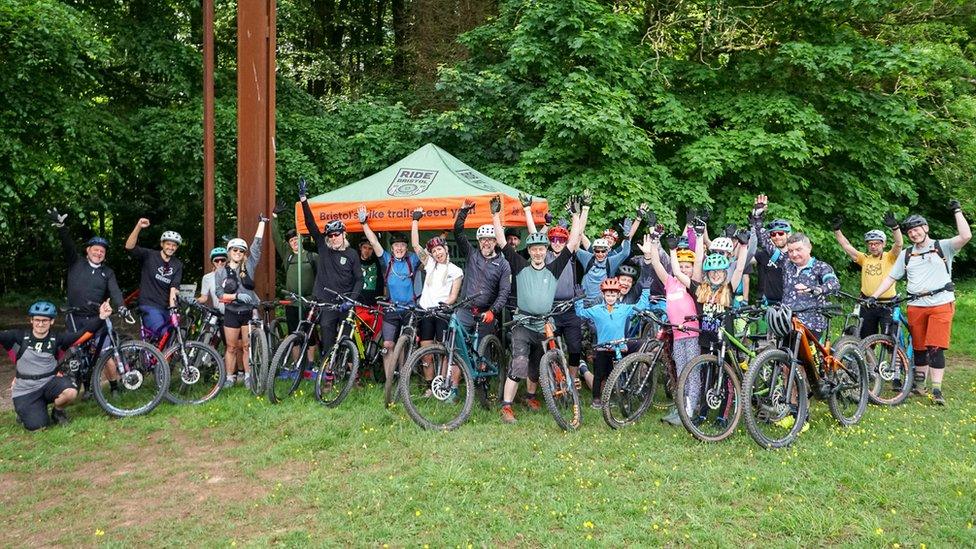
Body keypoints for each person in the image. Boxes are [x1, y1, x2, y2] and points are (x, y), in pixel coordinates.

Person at [493, 194, 585, 424]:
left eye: (541, 249)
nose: (537, 252)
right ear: (530, 250)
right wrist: (495, 216)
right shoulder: (520, 265)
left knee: (537, 364)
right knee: (520, 363)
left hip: (545, 324)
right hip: (523, 324)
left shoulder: (553, 268)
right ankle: (506, 407)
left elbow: (573, 243)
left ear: (546, 251)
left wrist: (576, 216)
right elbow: (502, 242)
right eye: (533, 249)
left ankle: (532, 396)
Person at [868, 201, 971, 406]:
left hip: (941, 303)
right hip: (916, 305)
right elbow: (891, 278)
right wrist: (874, 295)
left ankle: (937, 389)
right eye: (910, 232)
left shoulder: (943, 247)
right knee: (919, 347)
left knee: (935, 346)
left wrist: (957, 212)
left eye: (916, 230)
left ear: (925, 228)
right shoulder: (907, 254)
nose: (913, 234)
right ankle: (919, 386)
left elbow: (966, 236)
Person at [47, 208, 126, 396]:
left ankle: (114, 387)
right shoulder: (76, 263)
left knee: (106, 352)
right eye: (95, 249)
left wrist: (121, 306)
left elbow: (115, 291)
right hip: (75, 318)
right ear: (88, 251)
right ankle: (86, 387)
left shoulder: (107, 272)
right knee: (78, 354)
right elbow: (67, 245)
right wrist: (61, 226)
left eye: (102, 251)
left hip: (97, 318)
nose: (99, 253)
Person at [2, 300, 111, 430]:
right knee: (38, 426)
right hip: (26, 390)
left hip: (49, 384)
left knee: (70, 392)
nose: (40, 324)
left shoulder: (58, 339)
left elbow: (83, 333)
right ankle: (26, 411)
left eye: (45, 320)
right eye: (37, 320)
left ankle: (57, 411)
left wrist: (101, 317)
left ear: (51, 321)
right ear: (31, 320)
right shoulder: (17, 336)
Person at [358, 206, 421, 403]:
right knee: (387, 344)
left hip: (410, 309)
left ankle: (403, 378)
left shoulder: (412, 259)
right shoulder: (387, 260)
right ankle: (389, 380)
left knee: (403, 345)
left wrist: (415, 222)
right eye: (396, 247)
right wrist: (363, 223)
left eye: (402, 246)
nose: (400, 248)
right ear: (392, 249)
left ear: (405, 248)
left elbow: (418, 246)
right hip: (392, 309)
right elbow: (375, 242)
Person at [298, 179, 363, 356]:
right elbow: (311, 224)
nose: (334, 237)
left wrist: (352, 300)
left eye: (337, 234)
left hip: (345, 303)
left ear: (344, 234)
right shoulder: (323, 248)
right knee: (327, 333)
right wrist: (304, 199)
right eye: (331, 235)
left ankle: (349, 372)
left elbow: (359, 279)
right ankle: (327, 375)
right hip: (327, 303)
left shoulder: (352, 254)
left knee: (346, 338)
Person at [643, 234, 700, 426]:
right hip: (677, 334)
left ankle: (691, 410)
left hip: (692, 334)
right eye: (681, 266)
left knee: (692, 373)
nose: (683, 270)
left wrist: (698, 238)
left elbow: (699, 261)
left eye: (687, 267)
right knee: (681, 371)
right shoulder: (670, 282)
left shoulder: (694, 284)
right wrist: (653, 241)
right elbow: (657, 264)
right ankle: (681, 406)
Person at [411, 207, 464, 398]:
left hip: (442, 312)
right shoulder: (430, 264)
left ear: (445, 249)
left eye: (439, 249)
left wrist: (445, 304)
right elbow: (416, 245)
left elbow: (453, 295)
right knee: (425, 352)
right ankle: (428, 386)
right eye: (434, 251)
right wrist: (415, 221)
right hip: (425, 311)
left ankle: (441, 384)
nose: (437, 253)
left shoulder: (456, 270)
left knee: (443, 351)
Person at [575, 279, 652, 408]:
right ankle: (596, 399)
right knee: (599, 375)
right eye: (608, 295)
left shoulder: (623, 308)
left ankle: (616, 396)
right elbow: (580, 313)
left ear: (617, 295)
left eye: (613, 295)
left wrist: (645, 290)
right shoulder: (596, 309)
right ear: (603, 295)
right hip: (602, 349)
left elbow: (641, 305)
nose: (610, 298)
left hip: (619, 348)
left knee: (616, 373)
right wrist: (578, 299)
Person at [214, 216, 268, 388]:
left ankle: (247, 376)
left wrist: (262, 223)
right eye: (234, 250)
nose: (238, 253)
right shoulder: (221, 271)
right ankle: (230, 377)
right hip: (231, 312)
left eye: (241, 251)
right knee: (230, 347)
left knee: (246, 346)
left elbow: (257, 245)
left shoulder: (250, 265)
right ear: (229, 252)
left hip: (248, 312)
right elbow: (219, 294)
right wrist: (235, 297)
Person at [833, 212, 903, 337]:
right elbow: (846, 245)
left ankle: (895, 356)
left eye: (877, 243)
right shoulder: (864, 258)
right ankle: (870, 356)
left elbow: (899, 244)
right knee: (866, 338)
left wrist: (895, 228)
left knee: (890, 339)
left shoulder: (890, 257)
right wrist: (837, 230)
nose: (873, 246)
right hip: (868, 304)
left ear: (883, 244)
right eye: (870, 244)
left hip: (887, 304)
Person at [452, 200, 512, 339]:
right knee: (456, 344)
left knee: (482, 352)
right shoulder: (472, 255)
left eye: (490, 240)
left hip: (486, 313)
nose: (486, 243)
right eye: (483, 239)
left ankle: (484, 361)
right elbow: (458, 233)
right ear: (479, 241)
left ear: (495, 242)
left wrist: (493, 311)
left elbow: (504, 292)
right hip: (465, 310)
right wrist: (463, 211)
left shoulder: (503, 264)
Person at [271, 205, 319, 363]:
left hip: (308, 301)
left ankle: (311, 364)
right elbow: (276, 237)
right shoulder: (287, 256)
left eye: (296, 239)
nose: (294, 243)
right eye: (291, 241)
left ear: (301, 239)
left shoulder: (313, 256)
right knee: (294, 334)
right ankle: (296, 366)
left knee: (311, 333)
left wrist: (316, 296)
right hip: (292, 302)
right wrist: (274, 218)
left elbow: (320, 277)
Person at [124, 218, 183, 338]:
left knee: (174, 336)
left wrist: (173, 310)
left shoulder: (177, 264)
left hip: (165, 307)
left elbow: (174, 288)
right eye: (168, 244)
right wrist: (138, 226)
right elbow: (129, 246)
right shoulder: (150, 255)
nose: (171, 247)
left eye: (174, 245)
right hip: (148, 305)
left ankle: (157, 356)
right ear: (162, 244)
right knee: (163, 333)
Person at [781, 232, 841, 340]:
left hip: (812, 323)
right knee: (783, 354)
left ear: (809, 248)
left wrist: (816, 289)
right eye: (790, 251)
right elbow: (768, 246)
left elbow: (834, 283)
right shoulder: (787, 264)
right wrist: (756, 223)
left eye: (798, 249)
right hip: (788, 321)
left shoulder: (820, 267)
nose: (794, 254)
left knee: (806, 357)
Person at [749, 195, 791, 306]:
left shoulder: (795, 256)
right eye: (773, 234)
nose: (777, 236)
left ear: (789, 235)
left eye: (781, 233)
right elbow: (746, 260)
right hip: (767, 304)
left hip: (789, 305)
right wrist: (757, 217)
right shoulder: (766, 252)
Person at [198, 247, 228, 312]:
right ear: (212, 262)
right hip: (218, 314)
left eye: (222, 260)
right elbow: (204, 298)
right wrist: (195, 300)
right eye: (216, 260)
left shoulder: (233, 274)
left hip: (234, 313)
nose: (220, 262)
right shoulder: (207, 278)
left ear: (226, 261)